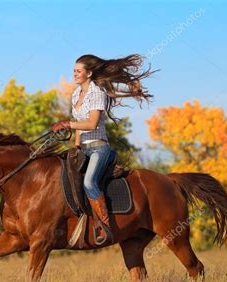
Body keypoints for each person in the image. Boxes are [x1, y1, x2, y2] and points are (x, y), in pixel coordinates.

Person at [52, 54, 155, 245]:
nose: (75, 74)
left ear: (89, 73)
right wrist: (75, 146)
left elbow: (90, 123)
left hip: (99, 149)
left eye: (78, 71)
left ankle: (104, 226)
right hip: (83, 149)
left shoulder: (97, 93)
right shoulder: (76, 94)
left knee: (90, 182)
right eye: (74, 71)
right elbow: (79, 125)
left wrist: (67, 124)